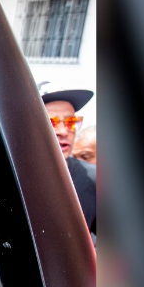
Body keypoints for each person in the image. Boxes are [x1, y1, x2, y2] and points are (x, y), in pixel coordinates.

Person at [39, 81, 97, 236]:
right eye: (52, 122)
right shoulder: (9, 176)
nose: (64, 131)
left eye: (71, 122)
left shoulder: (93, 179)